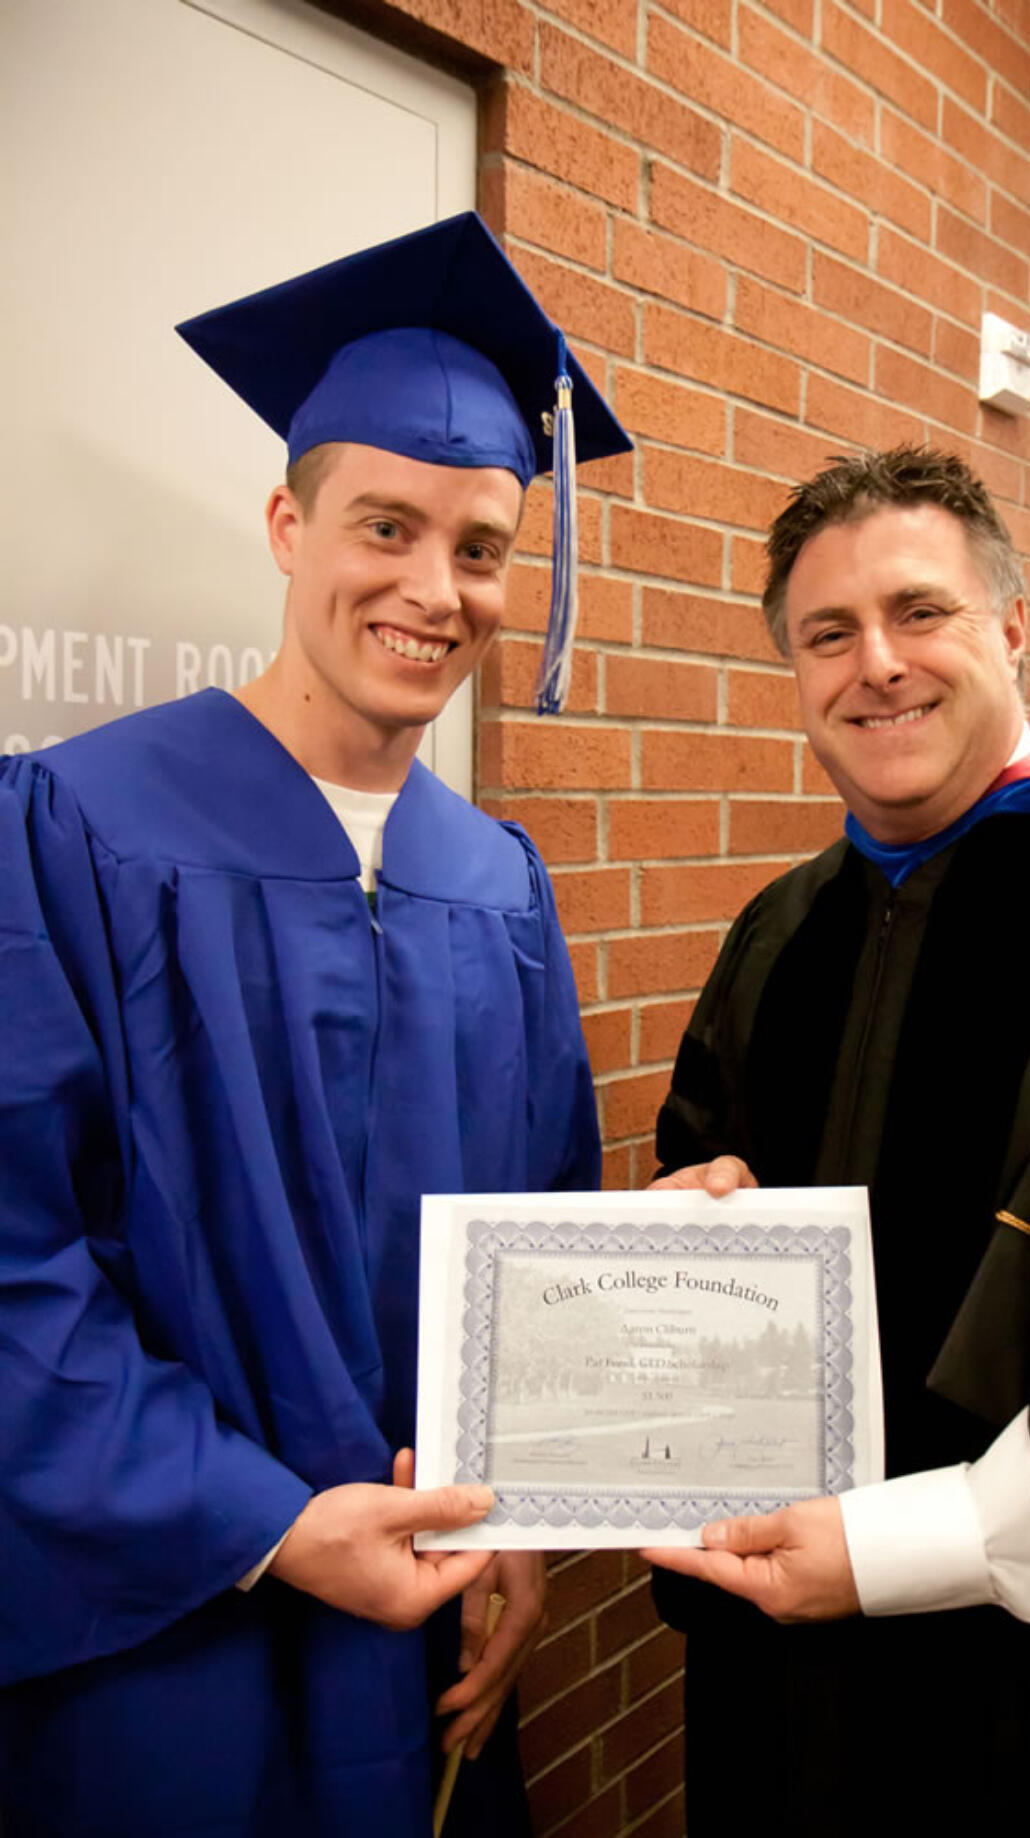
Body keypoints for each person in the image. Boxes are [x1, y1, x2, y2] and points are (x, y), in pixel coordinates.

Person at [0, 213, 630, 1838]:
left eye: (480, 547)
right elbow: (15, 1257)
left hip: (435, 1611)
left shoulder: (496, 882)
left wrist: (522, 1531)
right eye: (384, 526)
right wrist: (265, 1522)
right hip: (168, 1623)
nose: (434, 589)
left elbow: (537, 1233)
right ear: (287, 524)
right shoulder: (74, 827)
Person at [647, 446, 1030, 1827]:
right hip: (775, 1670)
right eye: (827, 633)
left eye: (921, 611)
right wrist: (676, 1240)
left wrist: (905, 1543)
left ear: (1009, 627)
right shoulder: (780, 932)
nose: (876, 665)